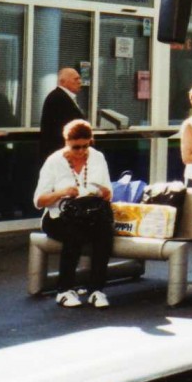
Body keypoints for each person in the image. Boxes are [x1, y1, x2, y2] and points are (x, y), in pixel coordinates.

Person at [33, 119, 114, 308]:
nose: (81, 152)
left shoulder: (97, 157)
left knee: (105, 233)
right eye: (76, 147)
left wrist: (100, 191)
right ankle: (64, 290)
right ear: (66, 142)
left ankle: (97, 290)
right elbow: (38, 201)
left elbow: (109, 193)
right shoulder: (54, 161)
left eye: (86, 146)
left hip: (90, 215)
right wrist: (62, 192)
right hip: (58, 217)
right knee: (74, 233)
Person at [39, 68, 85, 161]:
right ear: (63, 81)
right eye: (76, 79)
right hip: (62, 154)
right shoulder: (58, 98)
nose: (80, 82)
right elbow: (62, 129)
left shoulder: (63, 97)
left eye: (79, 79)